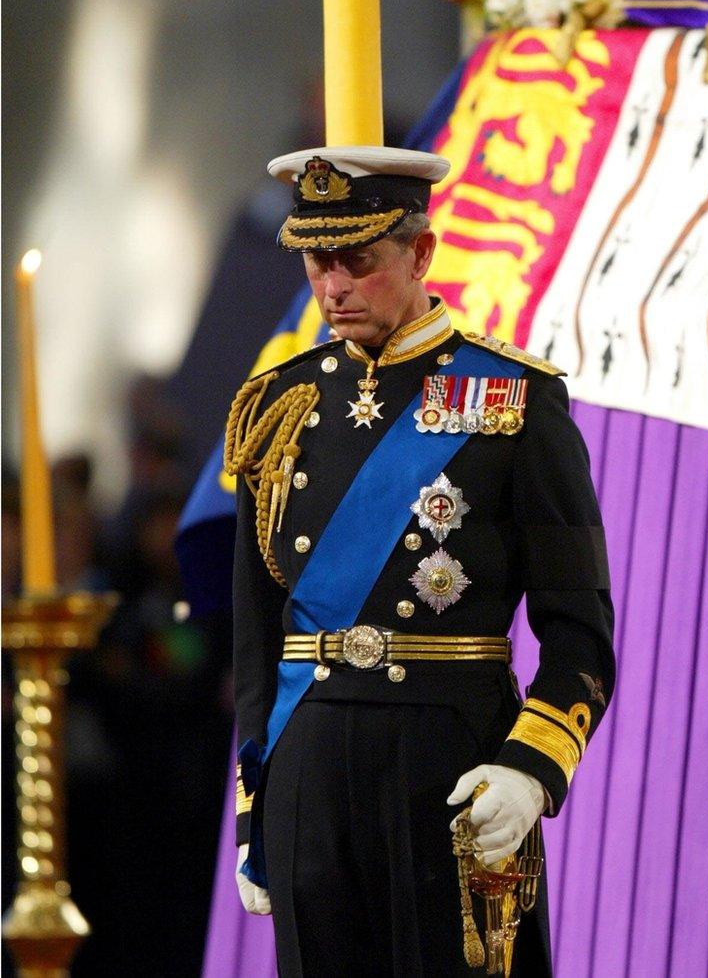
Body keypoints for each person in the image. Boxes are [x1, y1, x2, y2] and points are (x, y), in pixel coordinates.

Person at [227, 147, 615, 977]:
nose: (333, 288)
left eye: (358, 262)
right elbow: (259, 637)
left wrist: (530, 768)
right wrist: (255, 805)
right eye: (317, 261)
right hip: (310, 771)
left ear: (421, 253)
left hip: (453, 768)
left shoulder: (513, 402)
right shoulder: (278, 406)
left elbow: (581, 638)